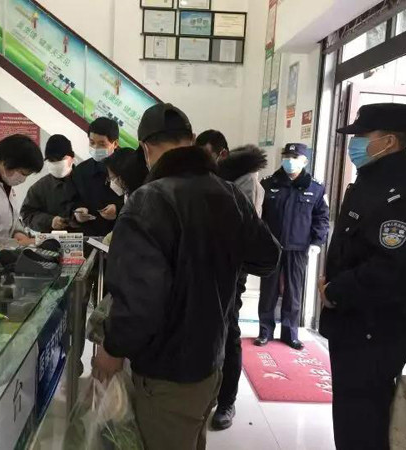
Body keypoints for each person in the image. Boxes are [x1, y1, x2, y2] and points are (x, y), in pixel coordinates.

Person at [92, 103, 281, 450]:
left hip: (166, 370)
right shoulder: (228, 193)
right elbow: (268, 257)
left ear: (145, 148)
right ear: (192, 139)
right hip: (210, 362)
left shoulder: (148, 201)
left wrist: (112, 348)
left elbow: (139, 302)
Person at [318, 103, 406, 450]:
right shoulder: (371, 182)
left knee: (363, 429)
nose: (355, 144)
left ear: (390, 141)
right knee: (350, 422)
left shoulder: (399, 196)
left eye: (364, 136)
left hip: (373, 332)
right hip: (354, 326)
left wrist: (335, 290)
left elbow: (389, 270)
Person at [210, 144, 268, 430]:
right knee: (214, 330)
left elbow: (243, 229)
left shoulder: (247, 184)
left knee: (229, 330)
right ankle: (212, 393)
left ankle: (226, 401)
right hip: (211, 266)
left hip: (232, 270)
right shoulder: (223, 178)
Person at [257, 143, 330, 350]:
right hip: (271, 246)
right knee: (268, 291)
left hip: (298, 247)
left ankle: (290, 334)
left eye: (294, 157)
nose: (289, 161)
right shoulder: (268, 183)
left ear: (304, 161)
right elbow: (258, 215)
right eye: (286, 156)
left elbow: (322, 218)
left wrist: (317, 242)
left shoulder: (315, 188)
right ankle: (265, 332)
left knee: (293, 292)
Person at [72, 118, 124, 236]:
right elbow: (73, 200)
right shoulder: (81, 171)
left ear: (115, 143)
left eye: (102, 144)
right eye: (92, 142)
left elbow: (138, 201)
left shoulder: (127, 167)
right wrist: (77, 212)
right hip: (90, 235)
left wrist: (118, 209)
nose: (95, 148)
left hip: (120, 234)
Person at [20, 134, 78, 232]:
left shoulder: (86, 180)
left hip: (87, 238)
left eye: (60, 159)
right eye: (51, 160)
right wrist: (50, 221)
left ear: (71, 158)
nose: (55, 163)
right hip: (52, 239)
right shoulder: (39, 188)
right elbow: (27, 215)